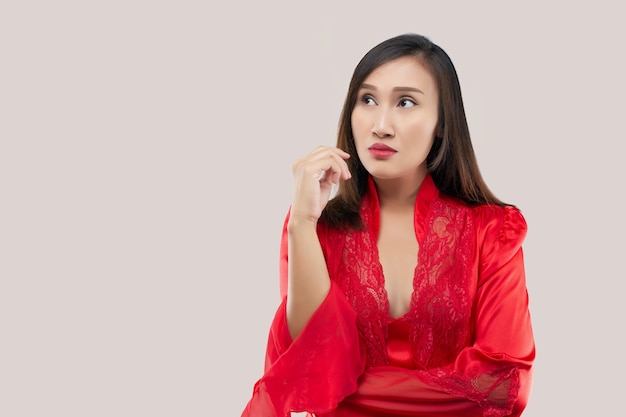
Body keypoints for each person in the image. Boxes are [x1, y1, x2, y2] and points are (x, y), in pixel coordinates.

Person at [241, 33, 535, 417]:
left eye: (406, 102)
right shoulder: (312, 230)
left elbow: (502, 383)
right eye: (367, 100)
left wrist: (344, 392)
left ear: (442, 122)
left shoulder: (493, 231)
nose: (381, 125)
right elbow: (307, 366)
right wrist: (302, 221)